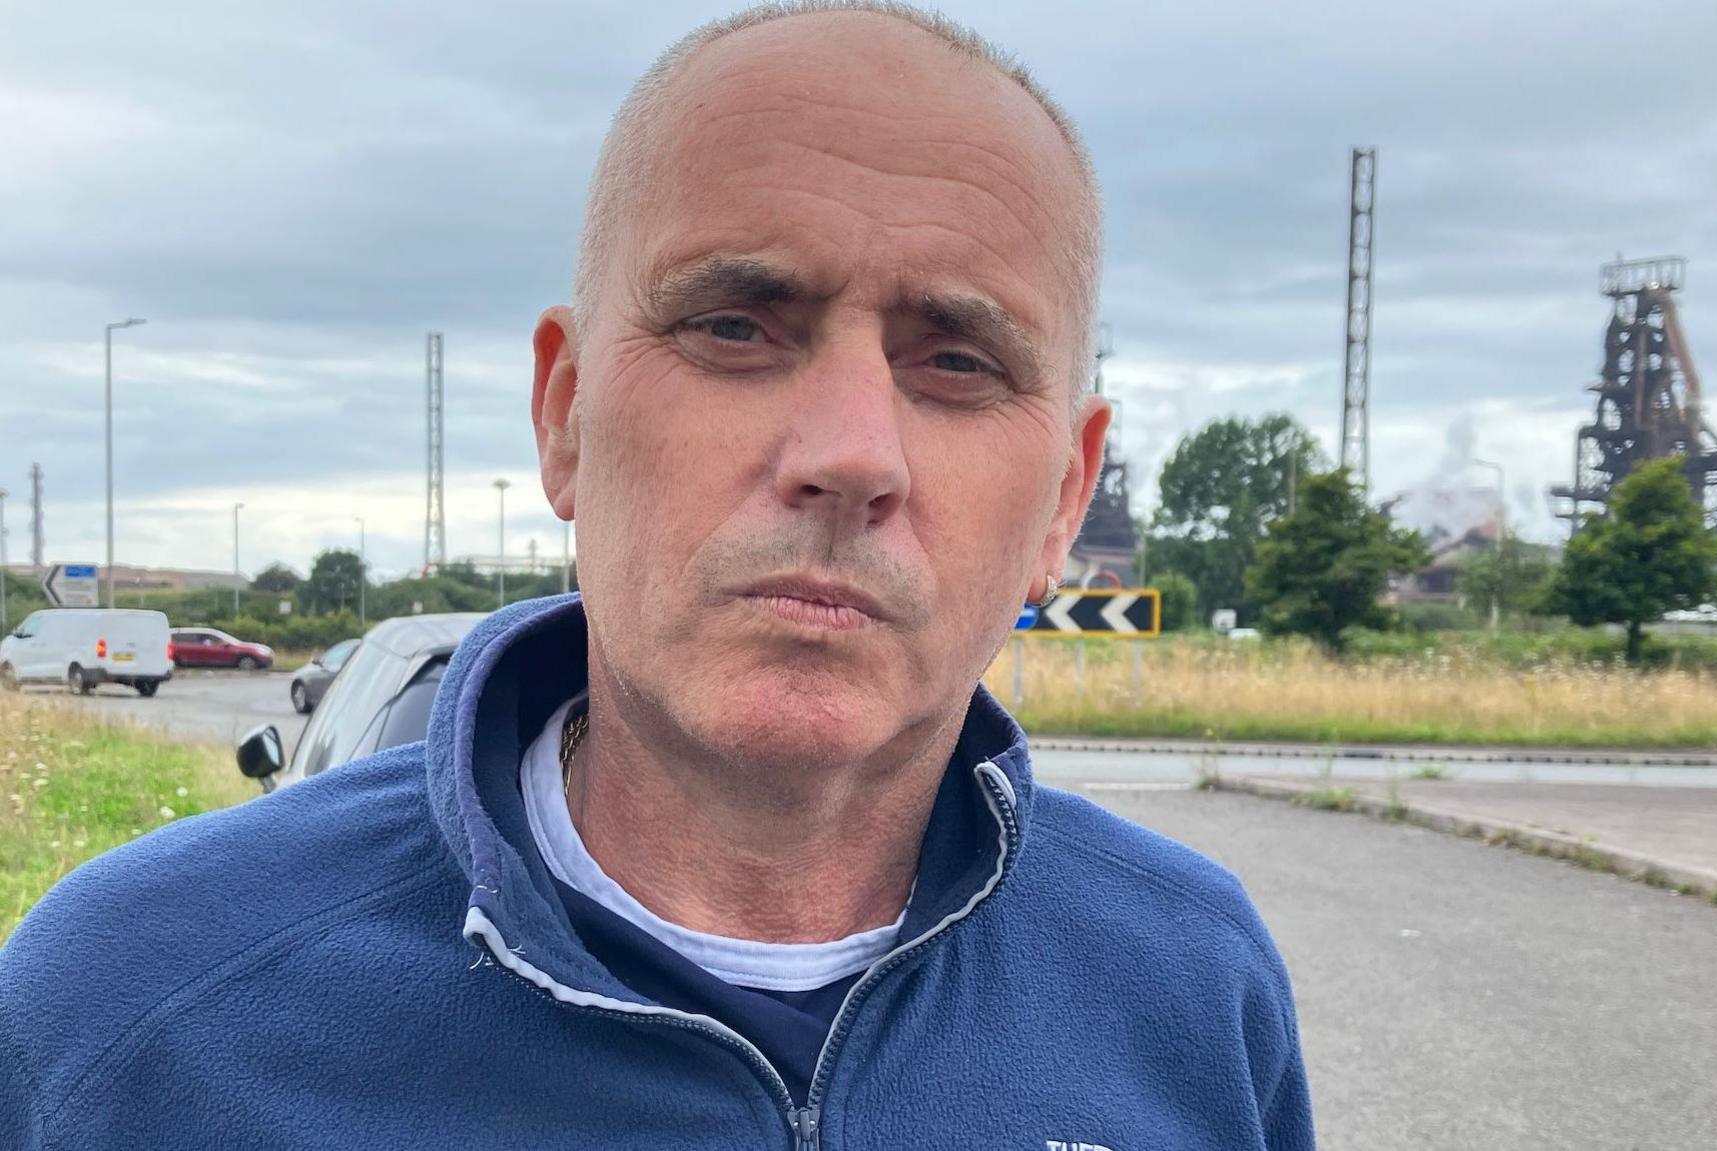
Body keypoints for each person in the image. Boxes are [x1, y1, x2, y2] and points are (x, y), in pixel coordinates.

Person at [0, 4, 1313, 1147]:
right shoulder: (132, 1014)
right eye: (737, 327)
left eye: (957, 362)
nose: (851, 456)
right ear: (566, 416)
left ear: (1067, 497)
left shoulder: (1195, 989)